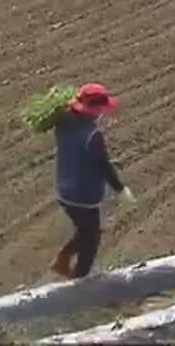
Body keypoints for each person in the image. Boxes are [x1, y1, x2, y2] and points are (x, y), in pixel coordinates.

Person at [52, 83, 131, 279]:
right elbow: (103, 166)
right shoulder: (92, 135)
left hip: (64, 187)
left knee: (88, 229)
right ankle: (80, 279)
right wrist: (121, 190)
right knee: (92, 237)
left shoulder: (63, 121)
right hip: (83, 194)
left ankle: (63, 258)